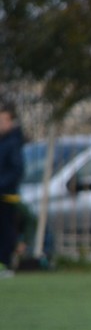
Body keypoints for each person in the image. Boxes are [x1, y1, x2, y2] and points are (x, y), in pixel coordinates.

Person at [0, 97, 25, 279]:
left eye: (3, 120)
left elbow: (17, 169)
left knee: (6, 230)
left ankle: (7, 264)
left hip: (7, 195)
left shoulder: (12, 142)